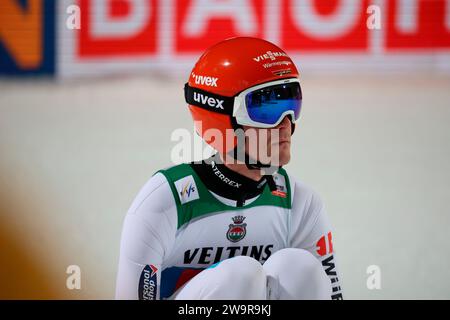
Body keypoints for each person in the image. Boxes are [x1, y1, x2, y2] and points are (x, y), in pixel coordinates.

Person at [115, 37, 343, 300]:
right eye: (267, 109)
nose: (286, 124)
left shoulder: (302, 204)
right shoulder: (165, 200)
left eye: (291, 104)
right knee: (241, 277)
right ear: (223, 119)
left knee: (301, 270)